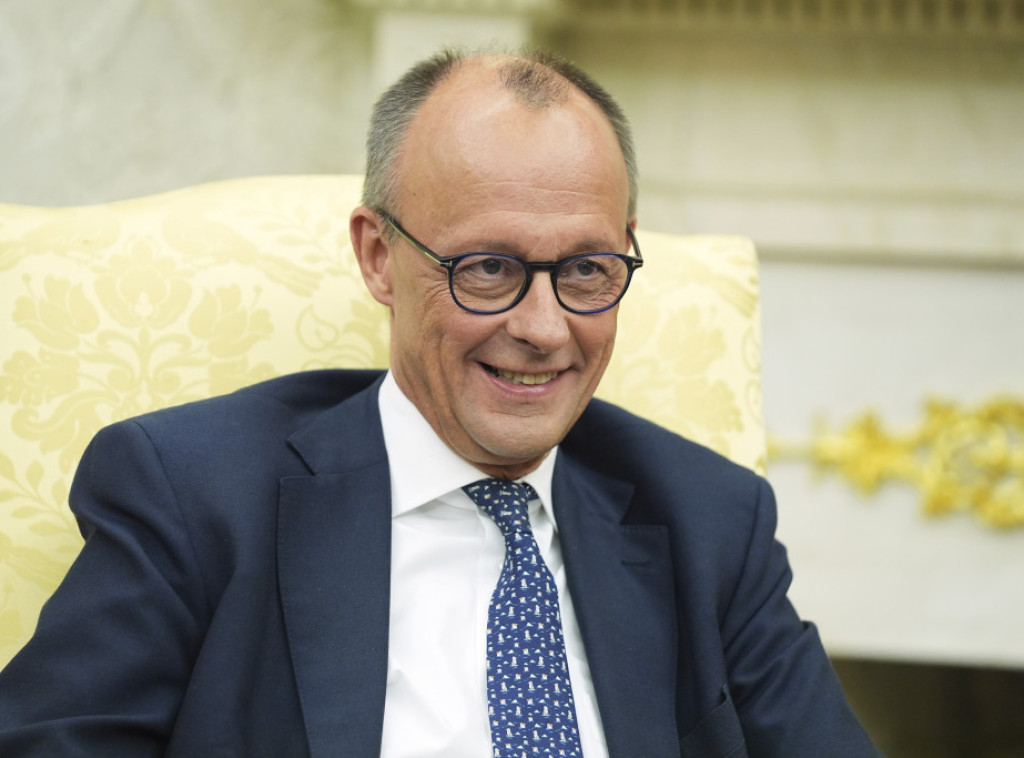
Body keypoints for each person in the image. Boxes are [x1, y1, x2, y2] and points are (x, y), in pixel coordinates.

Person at [0, 48, 880, 757]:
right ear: (379, 257)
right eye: (488, 269)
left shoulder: (712, 522)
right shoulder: (192, 496)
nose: (545, 329)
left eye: (585, 270)